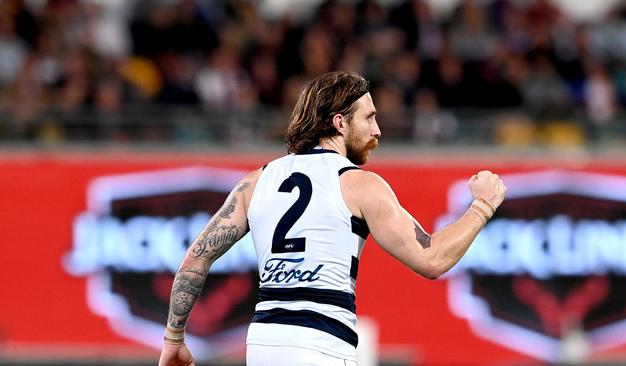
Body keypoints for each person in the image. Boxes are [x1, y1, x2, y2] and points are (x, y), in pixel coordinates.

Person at [158, 71, 507, 366]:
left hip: (264, 345)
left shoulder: (255, 182)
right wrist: (482, 206)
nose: (378, 130)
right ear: (340, 123)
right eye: (368, 118)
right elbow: (431, 259)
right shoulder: (357, 183)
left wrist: (174, 337)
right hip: (323, 343)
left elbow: (196, 258)